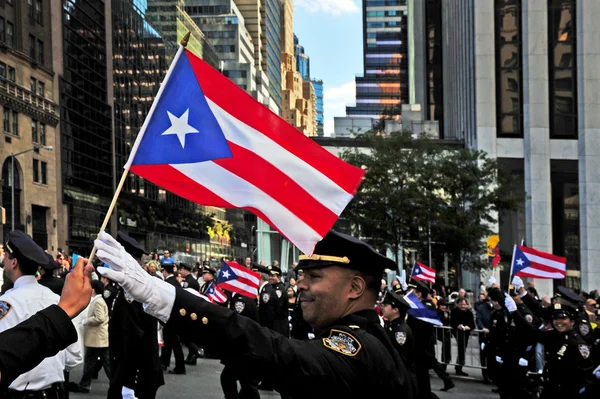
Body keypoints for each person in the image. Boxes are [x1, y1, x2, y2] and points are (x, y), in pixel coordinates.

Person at [95, 230, 416, 397]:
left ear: (355, 287)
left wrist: (161, 296)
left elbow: (280, 355)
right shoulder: (368, 338)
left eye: (314, 276)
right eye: (301, 274)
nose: (300, 284)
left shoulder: (355, 349)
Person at [0, 231, 82, 397]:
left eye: (6, 256)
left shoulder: (6, 303)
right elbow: (75, 357)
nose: (3, 260)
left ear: (14, 262)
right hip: (54, 393)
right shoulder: (56, 300)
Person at [106, 232, 164, 399]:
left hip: (135, 372)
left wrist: (128, 382)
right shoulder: (132, 285)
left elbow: (133, 337)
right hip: (134, 369)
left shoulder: (133, 290)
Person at [71, 280, 112, 393]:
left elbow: (100, 318)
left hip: (96, 338)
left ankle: (85, 385)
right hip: (100, 337)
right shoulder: (99, 300)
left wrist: (86, 321)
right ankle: (116, 384)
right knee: (105, 362)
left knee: (90, 362)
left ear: (93, 290)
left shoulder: (98, 301)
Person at [381, 291, 417, 384]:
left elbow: (400, 360)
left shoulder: (400, 332)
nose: (383, 308)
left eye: (385, 305)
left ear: (395, 310)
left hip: (402, 379)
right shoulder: (392, 326)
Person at [159, 260, 186, 375]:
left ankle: (180, 366)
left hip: (169, 315)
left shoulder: (167, 283)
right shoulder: (176, 282)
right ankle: (164, 362)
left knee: (174, 342)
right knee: (169, 341)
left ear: (164, 271)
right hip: (176, 315)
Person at [450, 297, 475, 376]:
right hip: (457, 332)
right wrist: (457, 326)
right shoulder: (454, 311)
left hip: (466, 333)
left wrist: (469, 327)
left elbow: (473, 325)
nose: (463, 306)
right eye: (461, 304)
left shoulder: (469, 313)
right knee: (461, 348)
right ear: (458, 304)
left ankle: (459, 367)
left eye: (464, 304)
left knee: (463, 349)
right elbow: (451, 323)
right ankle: (460, 365)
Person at [475, 293, 493, 384]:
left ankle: (492, 374)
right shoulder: (481, 308)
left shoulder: (496, 309)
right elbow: (478, 319)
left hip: (494, 336)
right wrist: (482, 328)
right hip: (484, 335)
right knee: (484, 355)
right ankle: (485, 375)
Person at [267, 264, 290, 337]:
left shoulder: (279, 289)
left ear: (278, 277)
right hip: (275, 324)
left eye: (273, 276)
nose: (270, 277)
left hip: (279, 325)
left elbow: (278, 307)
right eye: (269, 275)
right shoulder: (273, 287)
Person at [436, 298, 452, 370]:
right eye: (442, 305)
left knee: (447, 343)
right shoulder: (436, 312)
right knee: (446, 341)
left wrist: (447, 317)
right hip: (437, 332)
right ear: (439, 305)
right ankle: (444, 360)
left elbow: (447, 322)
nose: (444, 307)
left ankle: (446, 360)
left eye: (445, 305)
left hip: (445, 332)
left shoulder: (446, 313)